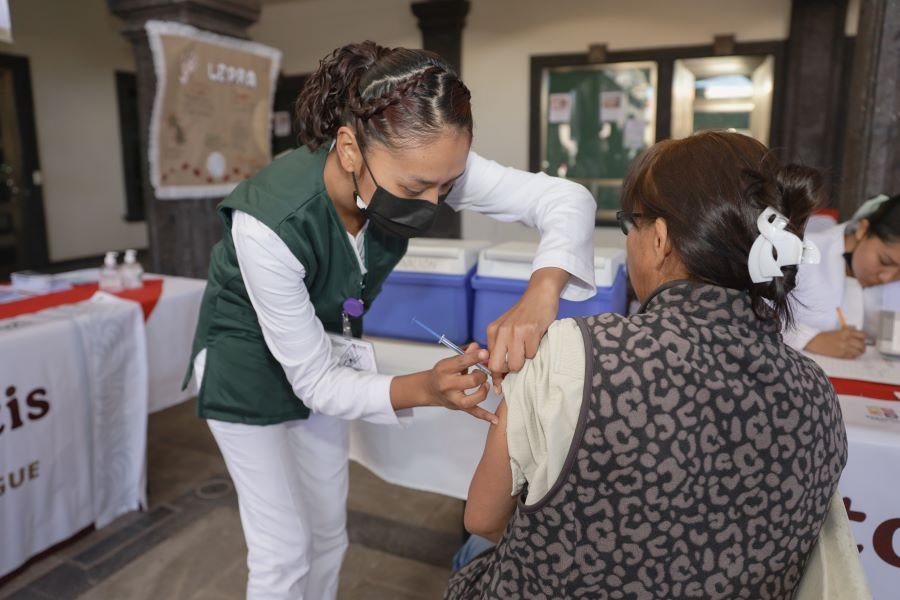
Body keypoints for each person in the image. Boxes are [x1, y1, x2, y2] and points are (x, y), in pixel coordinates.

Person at [183, 41, 597, 600]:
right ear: (350, 149)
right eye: (414, 189)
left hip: (324, 347)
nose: (431, 203)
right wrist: (425, 387)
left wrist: (542, 292)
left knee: (329, 532)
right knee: (283, 550)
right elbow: (316, 382)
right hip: (244, 366)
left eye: (446, 187)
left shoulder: (421, 163)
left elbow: (567, 200)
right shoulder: (268, 224)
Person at [445, 131, 848, 599]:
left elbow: (483, 517)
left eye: (628, 224)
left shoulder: (575, 352)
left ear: (658, 240)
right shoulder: (818, 393)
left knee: (470, 545)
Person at [784, 194, 900, 358]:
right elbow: (749, 312)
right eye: (884, 261)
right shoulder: (801, 253)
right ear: (863, 230)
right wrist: (810, 339)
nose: (886, 278)